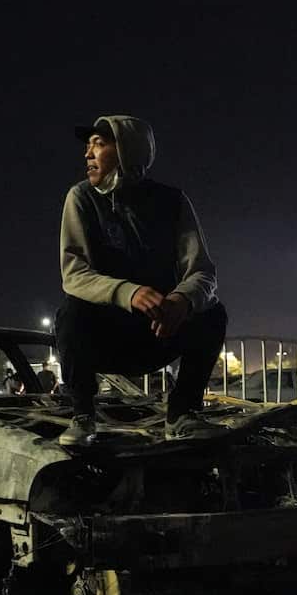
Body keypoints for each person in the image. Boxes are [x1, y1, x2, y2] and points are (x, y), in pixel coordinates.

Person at [55, 116, 229, 446]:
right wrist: (128, 293)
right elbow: (74, 273)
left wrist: (182, 301)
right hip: (107, 335)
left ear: (127, 151)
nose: (87, 154)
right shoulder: (81, 198)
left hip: (159, 330)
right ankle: (82, 416)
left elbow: (203, 271)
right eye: (88, 146)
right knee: (69, 313)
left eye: (99, 145)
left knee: (213, 313)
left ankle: (183, 414)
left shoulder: (172, 201)